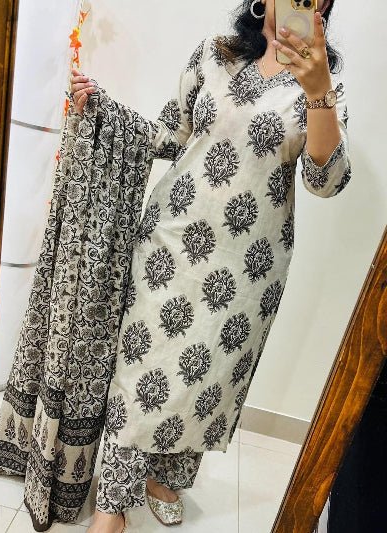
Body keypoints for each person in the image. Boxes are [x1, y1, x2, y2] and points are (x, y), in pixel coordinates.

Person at [70, 0, 351, 531]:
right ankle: (112, 507)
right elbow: (169, 134)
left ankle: (167, 476)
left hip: (247, 270)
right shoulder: (214, 55)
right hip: (170, 244)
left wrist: (318, 92)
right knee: (140, 370)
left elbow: (325, 180)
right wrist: (105, 109)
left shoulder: (325, 85)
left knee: (207, 379)